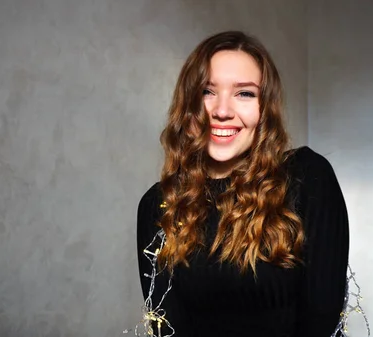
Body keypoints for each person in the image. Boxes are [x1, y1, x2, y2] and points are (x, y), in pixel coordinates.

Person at [136, 31, 349, 337]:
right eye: (207, 92)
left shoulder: (308, 179)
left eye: (245, 93)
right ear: (188, 105)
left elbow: (322, 320)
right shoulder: (157, 205)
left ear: (266, 110)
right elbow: (167, 329)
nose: (222, 111)